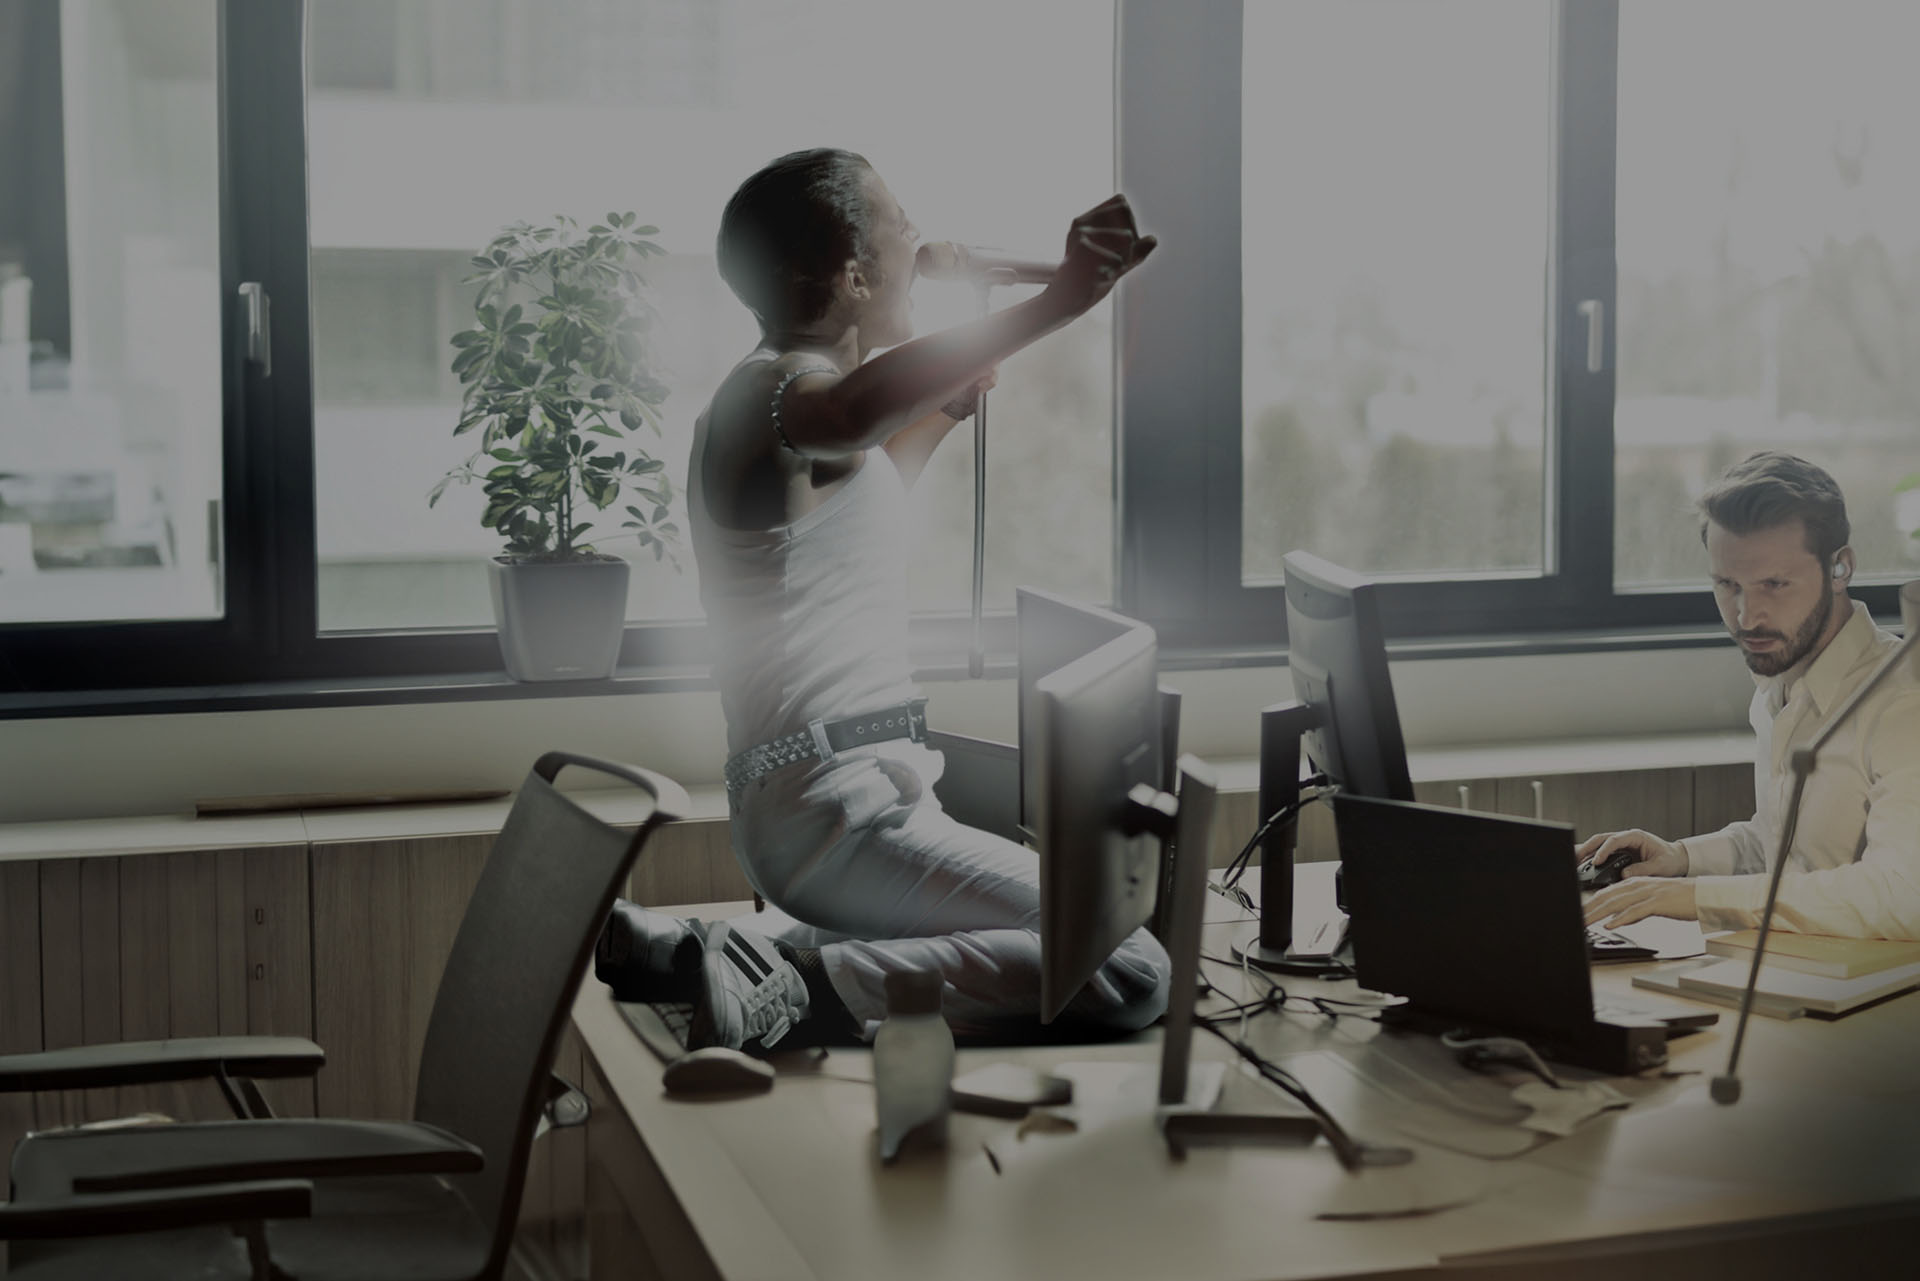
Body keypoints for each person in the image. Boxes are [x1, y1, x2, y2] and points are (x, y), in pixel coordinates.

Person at [598, 148, 1169, 1052]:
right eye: (901, 224)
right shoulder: (765, 393)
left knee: (1056, 939)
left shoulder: (803, 422)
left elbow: (864, 504)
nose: (920, 237)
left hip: (852, 797)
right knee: (1125, 961)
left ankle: (703, 950)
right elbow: (850, 414)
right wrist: (1057, 302)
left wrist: (943, 409)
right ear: (854, 276)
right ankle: (795, 983)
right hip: (831, 809)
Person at [1581, 451, 1920, 940]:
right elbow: (1790, 849)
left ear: (1840, 568)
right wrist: (1682, 858)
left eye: (1774, 584)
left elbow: (1903, 895)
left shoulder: (1904, 700)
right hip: (1800, 964)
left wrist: (1698, 897)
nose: (1746, 615)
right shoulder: (1778, 685)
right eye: (1727, 584)